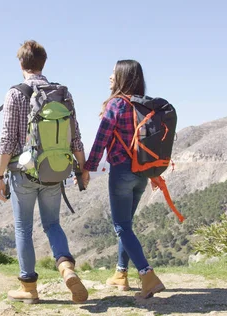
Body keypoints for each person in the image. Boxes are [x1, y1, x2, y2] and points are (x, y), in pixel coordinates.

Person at [0, 40, 89, 304]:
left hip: (22, 172)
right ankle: (66, 267)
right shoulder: (62, 93)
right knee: (53, 224)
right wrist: (82, 169)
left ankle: (29, 287)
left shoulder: (15, 94)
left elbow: (7, 142)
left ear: (21, 64)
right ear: (43, 63)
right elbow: (76, 137)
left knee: (23, 228)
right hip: (54, 170)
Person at [82, 59, 166, 299]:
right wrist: (154, 173)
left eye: (113, 73)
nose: (109, 77)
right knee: (127, 225)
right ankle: (120, 274)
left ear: (122, 77)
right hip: (142, 173)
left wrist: (88, 168)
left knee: (121, 226)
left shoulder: (116, 105)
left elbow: (101, 139)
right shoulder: (145, 106)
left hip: (122, 171)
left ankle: (147, 276)